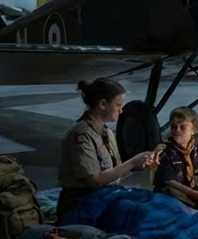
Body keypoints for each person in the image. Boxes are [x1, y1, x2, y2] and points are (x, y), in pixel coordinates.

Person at [57, 78, 156, 221]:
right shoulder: (82, 134)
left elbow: (113, 173)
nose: (121, 111)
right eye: (118, 105)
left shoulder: (106, 132)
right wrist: (132, 163)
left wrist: (140, 165)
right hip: (83, 205)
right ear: (103, 104)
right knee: (143, 214)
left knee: (152, 206)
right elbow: (95, 181)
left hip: (105, 197)